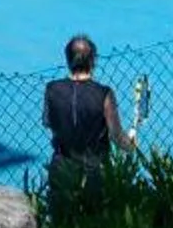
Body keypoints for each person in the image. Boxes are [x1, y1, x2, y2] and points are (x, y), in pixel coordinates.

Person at [43, 34, 136, 179]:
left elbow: (49, 123)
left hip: (61, 171)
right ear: (93, 61)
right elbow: (116, 137)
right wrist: (130, 144)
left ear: (68, 60)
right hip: (94, 172)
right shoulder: (104, 94)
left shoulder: (52, 89)